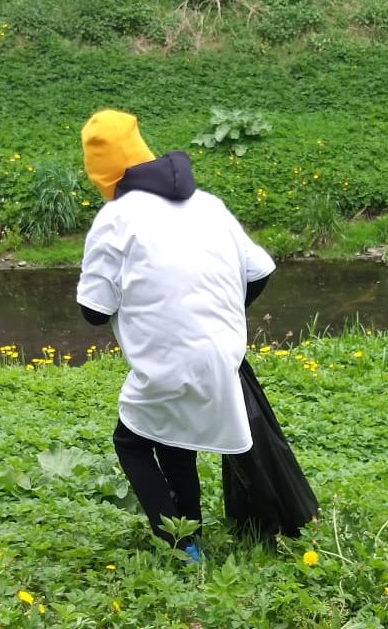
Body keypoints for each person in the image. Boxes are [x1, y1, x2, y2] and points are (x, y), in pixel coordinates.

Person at [76, 109, 274, 559]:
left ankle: (179, 542)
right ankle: (192, 536)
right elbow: (259, 272)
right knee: (174, 443)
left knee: (130, 442)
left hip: (170, 361)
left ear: (103, 174)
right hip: (224, 355)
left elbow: (93, 311)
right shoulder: (207, 203)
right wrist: (218, 316)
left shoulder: (116, 218)